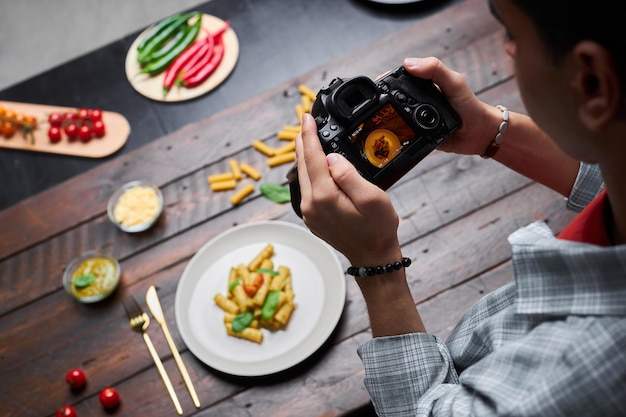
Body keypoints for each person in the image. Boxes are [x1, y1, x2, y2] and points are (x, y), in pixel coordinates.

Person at [294, 0, 626, 415]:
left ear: (592, 82)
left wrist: (376, 264)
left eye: (512, 35)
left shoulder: (580, 367)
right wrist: (491, 132)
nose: (507, 51)